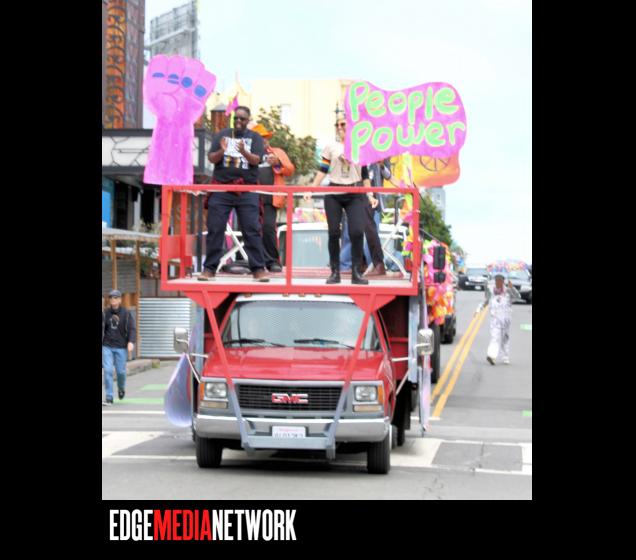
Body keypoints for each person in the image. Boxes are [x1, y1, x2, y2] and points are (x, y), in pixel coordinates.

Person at [199, 105, 270, 282]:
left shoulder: (255, 137)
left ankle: (258, 269)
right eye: (235, 118)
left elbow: (256, 160)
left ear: (248, 120)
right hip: (222, 188)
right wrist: (223, 150)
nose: (238, 121)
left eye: (242, 119)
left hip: (246, 189)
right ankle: (209, 269)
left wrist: (243, 151)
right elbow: (211, 158)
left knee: (251, 229)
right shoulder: (222, 135)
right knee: (215, 228)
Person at [305, 117, 370, 285]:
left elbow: (365, 174)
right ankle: (335, 272)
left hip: (354, 192)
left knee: (357, 232)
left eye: (343, 124)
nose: (339, 127)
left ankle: (356, 272)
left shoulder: (360, 147)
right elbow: (323, 169)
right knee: (334, 232)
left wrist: (370, 195)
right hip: (333, 192)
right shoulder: (330, 147)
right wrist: (311, 189)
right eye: (337, 125)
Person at [251, 123, 295, 273]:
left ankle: (272, 261)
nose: (263, 140)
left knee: (268, 228)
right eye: (259, 137)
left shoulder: (277, 152)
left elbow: (290, 170)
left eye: (265, 137)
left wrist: (277, 163)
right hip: (250, 197)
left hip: (270, 199)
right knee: (250, 229)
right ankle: (253, 261)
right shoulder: (246, 153)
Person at [476, 274, 521, 365]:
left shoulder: (508, 292)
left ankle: (505, 356)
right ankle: (491, 356)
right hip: (495, 320)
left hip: (506, 320)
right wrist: (478, 310)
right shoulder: (492, 292)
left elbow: (518, 297)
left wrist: (512, 288)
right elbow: (486, 301)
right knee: (495, 338)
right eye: (497, 281)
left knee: (505, 339)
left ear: (503, 282)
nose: (498, 282)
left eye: (500, 281)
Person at [102, 290, 136, 405]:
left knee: (120, 372)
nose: (113, 300)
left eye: (116, 298)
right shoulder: (105, 313)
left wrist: (131, 342)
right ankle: (109, 397)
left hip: (121, 347)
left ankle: (121, 388)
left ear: (120, 300)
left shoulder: (126, 313)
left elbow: (132, 329)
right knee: (107, 370)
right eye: (111, 298)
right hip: (107, 346)